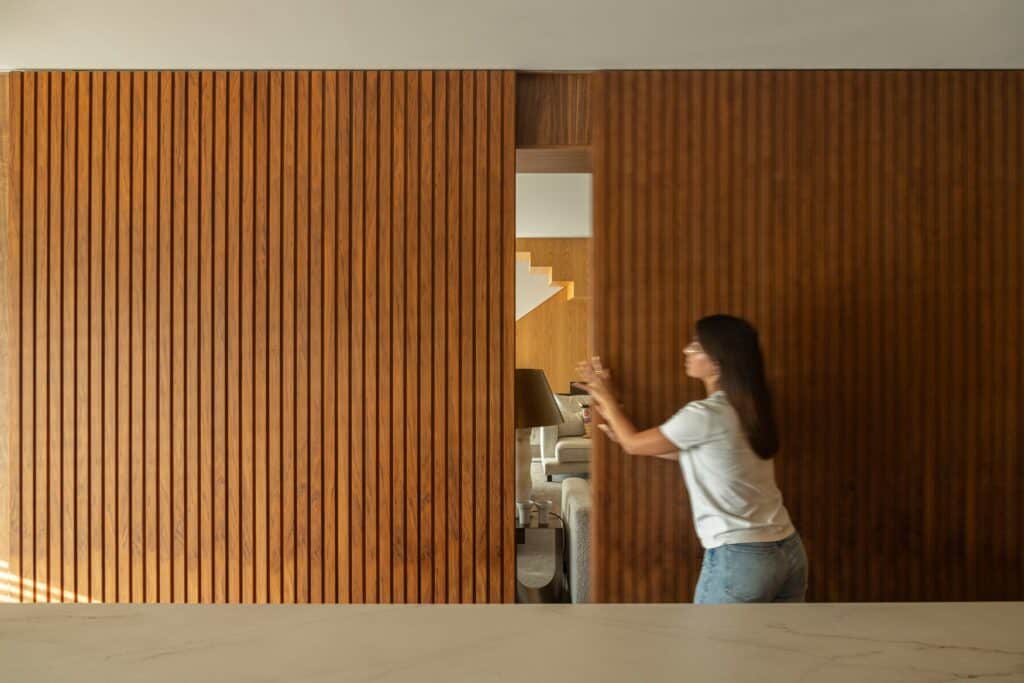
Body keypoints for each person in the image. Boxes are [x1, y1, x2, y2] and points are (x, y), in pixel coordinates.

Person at [574, 314, 807, 603]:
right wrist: (623, 432)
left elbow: (633, 444)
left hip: (741, 557)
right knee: (772, 647)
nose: (687, 350)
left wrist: (606, 397)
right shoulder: (747, 408)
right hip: (788, 551)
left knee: (712, 647)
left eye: (697, 346)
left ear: (717, 362)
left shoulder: (705, 414)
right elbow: (710, 456)